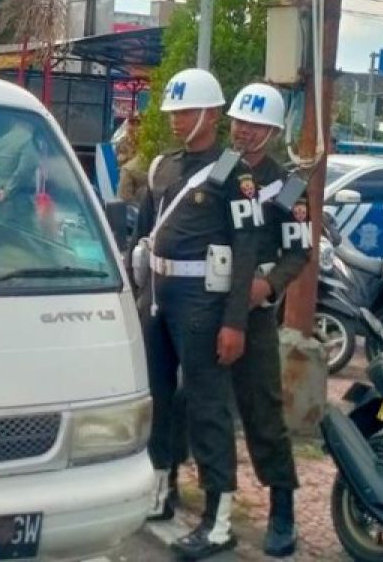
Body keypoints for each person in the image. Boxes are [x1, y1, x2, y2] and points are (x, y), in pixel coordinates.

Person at [127, 67, 256, 560]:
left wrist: (235, 320)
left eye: (185, 111)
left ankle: (219, 520)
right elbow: (141, 232)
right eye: (174, 112)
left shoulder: (232, 172)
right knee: (158, 400)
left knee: (207, 408)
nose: (177, 120)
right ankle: (162, 490)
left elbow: (245, 251)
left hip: (204, 302)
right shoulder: (162, 166)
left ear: (211, 113)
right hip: (158, 297)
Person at [225, 82, 307, 557]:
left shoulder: (289, 185)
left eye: (254, 124)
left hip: (254, 310)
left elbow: (299, 252)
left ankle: (282, 510)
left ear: (274, 130)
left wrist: (270, 286)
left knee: (262, 410)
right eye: (238, 121)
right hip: (210, 301)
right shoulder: (219, 168)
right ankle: (174, 485)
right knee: (185, 397)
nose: (244, 130)